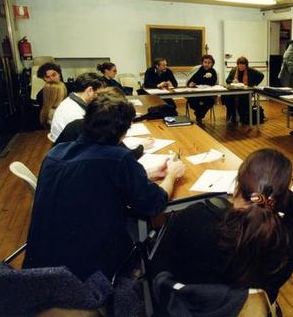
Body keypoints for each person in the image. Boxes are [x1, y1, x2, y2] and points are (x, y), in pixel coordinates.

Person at [23, 91, 186, 281]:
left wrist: (147, 175)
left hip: (39, 268)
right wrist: (172, 175)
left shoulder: (55, 153)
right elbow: (154, 203)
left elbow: (94, 179)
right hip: (88, 274)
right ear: (124, 130)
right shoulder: (118, 158)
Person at [153, 149, 293, 303]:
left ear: (238, 185)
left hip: (186, 309)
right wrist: (273, 193)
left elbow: (157, 269)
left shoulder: (193, 217)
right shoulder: (288, 239)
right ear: (281, 197)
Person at [49, 72, 104, 142]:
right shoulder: (77, 114)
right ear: (90, 91)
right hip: (70, 148)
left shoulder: (69, 101)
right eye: (99, 93)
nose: (100, 97)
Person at [224, 56, 264, 124]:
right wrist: (233, 81)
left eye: (243, 66)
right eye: (239, 65)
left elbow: (261, 75)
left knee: (243, 100)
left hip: (246, 91)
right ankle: (232, 115)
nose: (241, 67)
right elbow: (227, 80)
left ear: (246, 65)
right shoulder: (234, 70)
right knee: (227, 98)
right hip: (235, 90)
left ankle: (243, 116)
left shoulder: (250, 70)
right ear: (237, 65)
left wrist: (252, 84)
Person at [186, 54, 218, 123]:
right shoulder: (198, 70)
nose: (206, 64)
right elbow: (191, 80)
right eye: (205, 62)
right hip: (196, 93)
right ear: (202, 62)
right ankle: (199, 115)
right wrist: (190, 83)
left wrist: (205, 80)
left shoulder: (213, 72)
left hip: (207, 94)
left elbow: (213, 83)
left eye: (209, 63)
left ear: (212, 64)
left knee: (209, 102)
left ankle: (199, 115)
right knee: (193, 102)